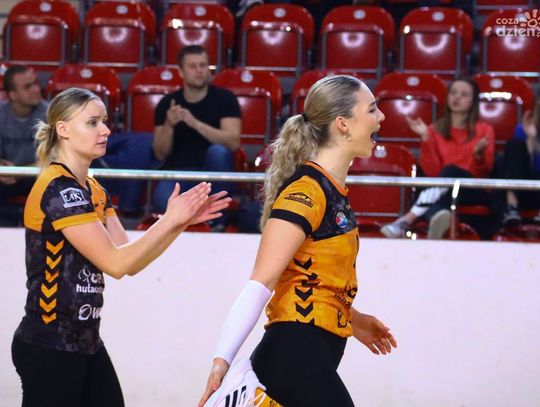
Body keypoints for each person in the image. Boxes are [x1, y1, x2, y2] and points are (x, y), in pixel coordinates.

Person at [11, 87, 231, 407]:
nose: (105, 130)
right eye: (93, 122)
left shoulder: (92, 188)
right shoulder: (59, 190)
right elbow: (115, 263)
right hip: (50, 343)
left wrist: (178, 223)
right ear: (63, 129)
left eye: (104, 121)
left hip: (84, 341)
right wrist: (170, 220)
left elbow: (129, 260)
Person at [199, 75, 396, 407]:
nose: (381, 117)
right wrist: (222, 360)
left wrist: (353, 318)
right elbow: (259, 285)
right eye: (372, 109)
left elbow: (311, 278)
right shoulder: (305, 192)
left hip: (306, 352)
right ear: (343, 124)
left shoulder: (332, 190)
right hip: (294, 354)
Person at [380, 78, 495, 239]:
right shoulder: (434, 130)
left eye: (464, 94)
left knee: (450, 171)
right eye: (453, 93)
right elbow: (433, 174)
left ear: (473, 101)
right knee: (443, 187)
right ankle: (439, 217)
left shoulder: (484, 130)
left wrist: (478, 156)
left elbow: (485, 171)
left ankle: (407, 219)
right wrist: (426, 138)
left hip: (472, 189)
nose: (457, 97)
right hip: (442, 191)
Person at [152, 45, 242, 213]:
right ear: (181, 72)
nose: (199, 70)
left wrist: (195, 123)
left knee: (218, 152)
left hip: (214, 173)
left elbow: (233, 142)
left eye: (203, 65)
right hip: (179, 173)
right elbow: (160, 153)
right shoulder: (167, 103)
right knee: (162, 201)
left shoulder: (225, 98)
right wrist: (169, 125)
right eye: (193, 66)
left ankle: (218, 220)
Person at [0, 64, 48, 225]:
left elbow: (56, 160)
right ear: (12, 94)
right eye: (28, 87)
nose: (36, 89)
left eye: (35, 83)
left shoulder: (50, 114)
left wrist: (19, 172)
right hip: (7, 178)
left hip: (39, 176)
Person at [493, 88, 540, 226]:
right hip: (526, 189)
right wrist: (531, 139)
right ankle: (511, 207)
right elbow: (526, 167)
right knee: (514, 145)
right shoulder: (523, 129)